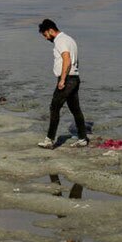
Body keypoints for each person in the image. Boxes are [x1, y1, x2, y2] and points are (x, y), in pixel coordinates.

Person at [36, 18, 89, 148]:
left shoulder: (60, 41)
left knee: (54, 107)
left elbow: (67, 59)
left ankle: (49, 140)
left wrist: (63, 79)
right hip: (75, 78)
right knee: (75, 109)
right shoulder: (70, 39)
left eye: (45, 35)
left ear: (50, 30)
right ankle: (83, 138)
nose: (45, 38)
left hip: (67, 79)